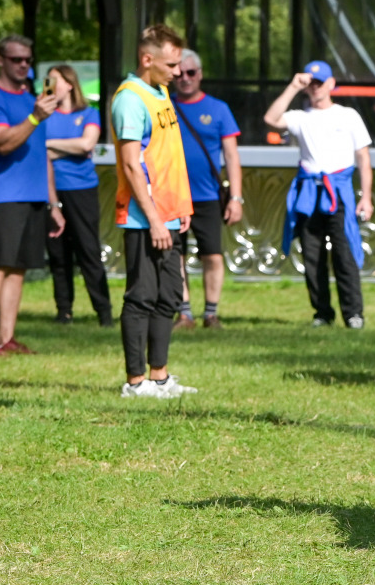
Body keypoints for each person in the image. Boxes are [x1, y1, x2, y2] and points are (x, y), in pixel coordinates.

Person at [112, 24, 198, 398]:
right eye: (171, 64)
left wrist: (181, 208)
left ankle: (159, 377)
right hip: (144, 218)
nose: (177, 72)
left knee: (169, 296)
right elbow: (132, 166)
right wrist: (155, 220)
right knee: (141, 296)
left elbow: (166, 155)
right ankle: (135, 382)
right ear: (147, 60)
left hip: (170, 215)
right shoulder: (130, 98)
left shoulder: (159, 90)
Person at [0, 35, 64, 357]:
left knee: (18, 268)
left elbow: (42, 155)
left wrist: (54, 203)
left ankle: (7, 337)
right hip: (3, 195)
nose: (24, 65)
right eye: (16, 59)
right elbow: (2, 142)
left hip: (35, 196)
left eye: (27, 59)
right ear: (0, 60)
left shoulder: (32, 101)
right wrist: (35, 117)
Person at [265, 60, 374, 328]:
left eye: (320, 82)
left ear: (331, 84)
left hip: (339, 191)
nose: (315, 88)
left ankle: (353, 313)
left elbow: (364, 159)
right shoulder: (300, 117)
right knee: (312, 256)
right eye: (311, 83)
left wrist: (366, 197)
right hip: (309, 193)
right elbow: (270, 119)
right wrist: (293, 86)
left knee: (343, 253)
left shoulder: (348, 115)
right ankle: (322, 313)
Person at [171, 50, 244, 328]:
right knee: (176, 256)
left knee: (212, 255)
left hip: (208, 196)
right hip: (174, 196)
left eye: (191, 73)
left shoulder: (218, 109)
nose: (185, 79)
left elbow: (232, 157)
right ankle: (185, 313)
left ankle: (210, 313)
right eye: (179, 74)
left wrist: (235, 198)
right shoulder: (165, 107)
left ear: (200, 75)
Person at [42, 64, 113, 325]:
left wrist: (49, 145)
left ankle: (103, 312)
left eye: (55, 80)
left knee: (88, 252)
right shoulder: (44, 116)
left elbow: (86, 144)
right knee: (58, 254)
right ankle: (64, 311)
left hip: (82, 190)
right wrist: (67, 149)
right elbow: (43, 153)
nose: (50, 84)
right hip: (51, 190)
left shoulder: (89, 113)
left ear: (70, 84)